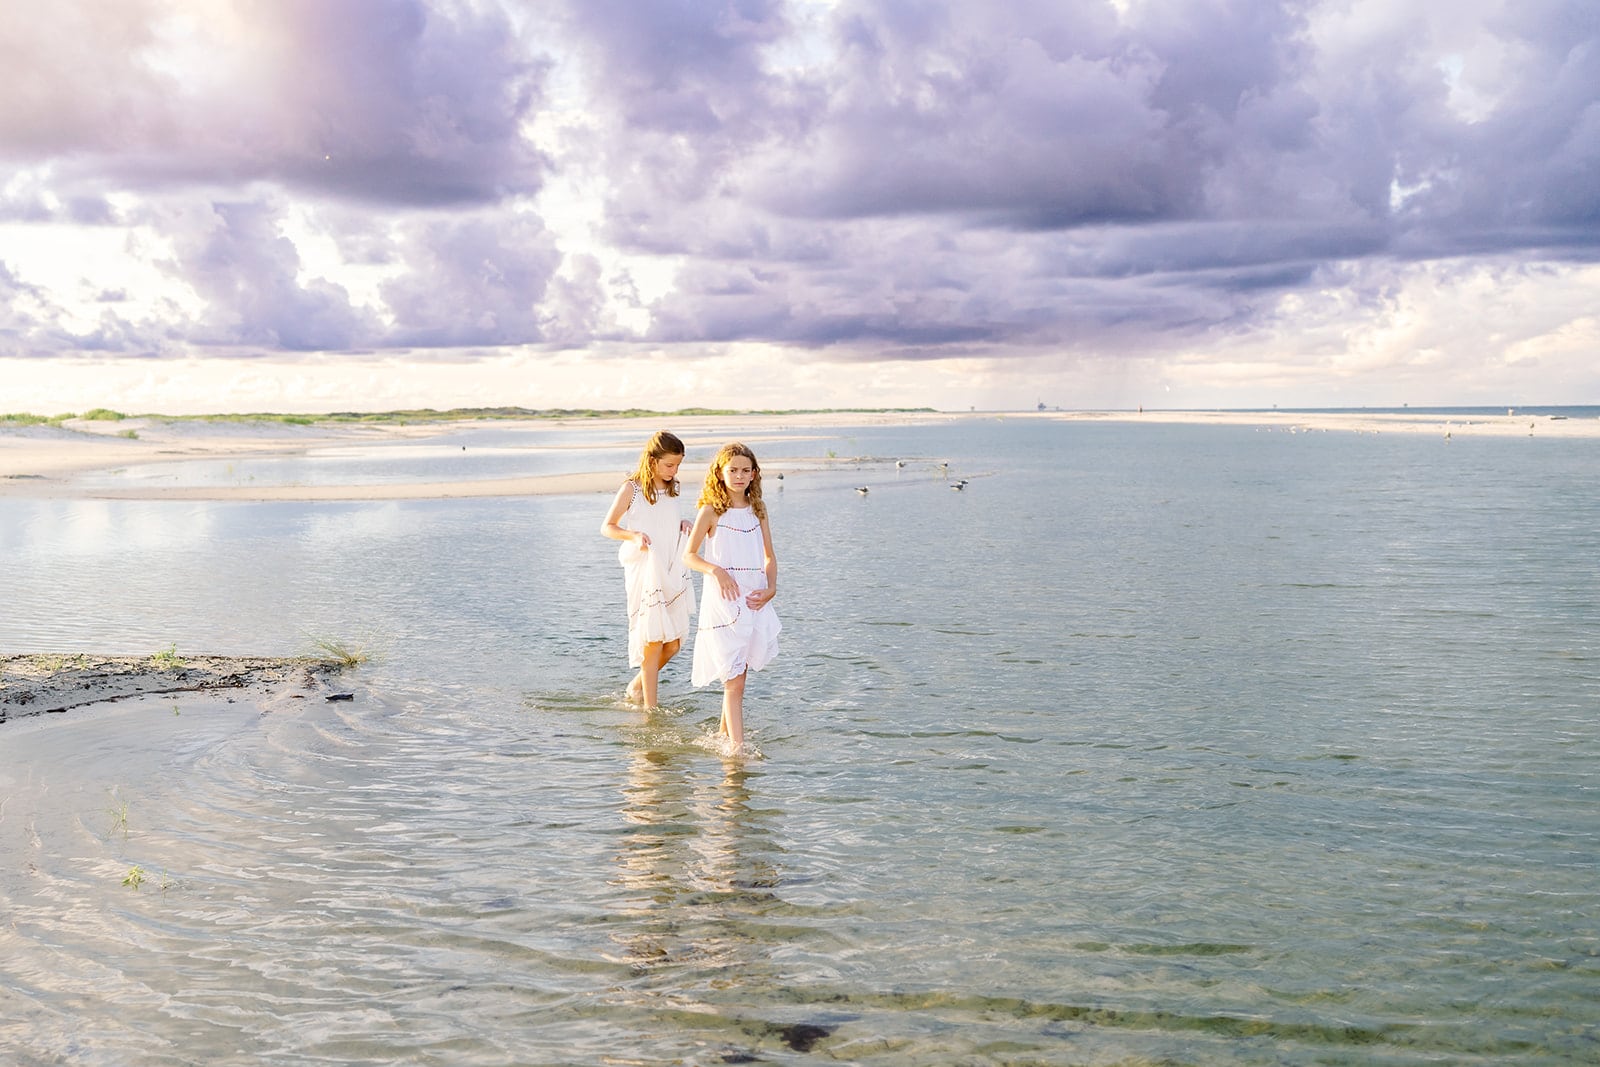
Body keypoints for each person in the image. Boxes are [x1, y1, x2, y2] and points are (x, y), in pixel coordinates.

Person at [684, 442, 780, 752]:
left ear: (754, 475)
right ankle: (737, 752)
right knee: (733, 679)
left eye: (745, 470)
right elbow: (690, 556)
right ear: (720, 473)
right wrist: (716, 571)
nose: (739, 476)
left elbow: (769, 556)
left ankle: (724, 739)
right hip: (724, 599)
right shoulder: (711, 510)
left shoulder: (759, 509)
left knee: (741, 676)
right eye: (733, 470)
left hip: (753, 597)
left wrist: (772, 588)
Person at [599, 431, 693, 708]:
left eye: (677, 465)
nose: (674, 471)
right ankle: (650, 710)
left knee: (673, 643)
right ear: (652, 461)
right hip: (644, 567)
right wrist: (634, 535)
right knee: (653, 640)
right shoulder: (633, 488)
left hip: (670, 566)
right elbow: (608, 527)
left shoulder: (673, 487)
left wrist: (682, 524)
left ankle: (636, 686)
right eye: (669, 465)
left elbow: (665, 521)